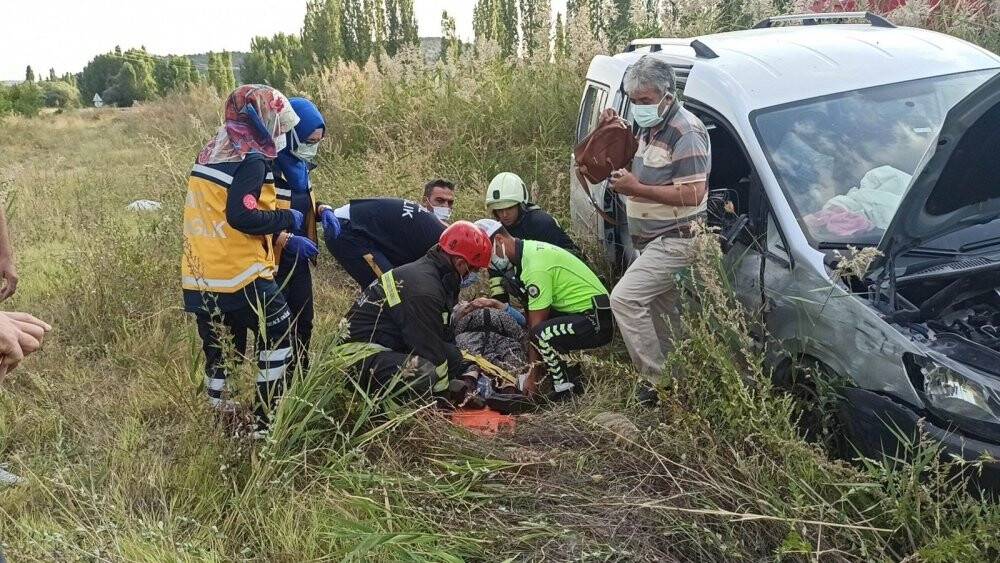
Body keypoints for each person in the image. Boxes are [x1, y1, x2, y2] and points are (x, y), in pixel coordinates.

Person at [181, 85, 312, 431]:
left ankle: (218, 418)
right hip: (241, 273)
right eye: (279, 124)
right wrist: (286, 219)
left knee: (220, 349)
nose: (281, 133)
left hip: (201, 275)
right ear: (263, 118)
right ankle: (266, 421)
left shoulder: (212, 150)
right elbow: (242, 215)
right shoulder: (251, 158)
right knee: (279, 332)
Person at [600, 54, 711, 405]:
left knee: (625, 299)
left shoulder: (686, 131)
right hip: (652, 241)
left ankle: (659, 384)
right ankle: (683, 383)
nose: (638, 108)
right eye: (633, 101)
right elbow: (633, 154)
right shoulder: (650, 126)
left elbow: (693, 192)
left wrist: (637, 190)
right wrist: (612, 127)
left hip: (677, 240)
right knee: (663, 315)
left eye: (644, 101)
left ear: (667, 94)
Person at [333, 221, 492, 401]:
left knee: (453, 357)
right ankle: (389, 412)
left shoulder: (438, 276)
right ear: (461, 263)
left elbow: (440, 333)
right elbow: (428, 347)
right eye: (475, 269)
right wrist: (443, 398)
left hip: (387, 342)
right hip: (354, 358)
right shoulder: (424, 289)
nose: (475, 275)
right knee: (425, 373)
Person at [475, 219, 612, 400]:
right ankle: (570, 373)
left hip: (596, 320)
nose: (489, 264)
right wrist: (503, 307)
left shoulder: (535, 268)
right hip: (582, 313)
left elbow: (536, 326)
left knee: (541, 334)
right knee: (539, 331)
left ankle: (564, 389)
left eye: (487, 255)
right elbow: (532, 314)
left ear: (499, 240)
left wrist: (533, 375)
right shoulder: (524, 254)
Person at [272, 96, 335, 371]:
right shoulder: (268, 168)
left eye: (317, 143)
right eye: (308, 141)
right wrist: (284, 238)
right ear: (291, 134)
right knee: (279, 324)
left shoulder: (301, 168)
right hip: (273, 262)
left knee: (304, 319)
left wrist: (322, 211)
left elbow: (302, 201)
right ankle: (278, 382)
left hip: (298, 261)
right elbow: (252, 219)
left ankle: (301, 373)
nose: (312, 148)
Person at [484, 172, 581, 303]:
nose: (504, 214)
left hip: (565, 281)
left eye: (509, 208)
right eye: (499, 210)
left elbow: (572, 258)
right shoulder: (497, 231)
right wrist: (501, 309)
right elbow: (495, 274)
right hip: (535, 281)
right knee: (508, 279)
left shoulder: (540, 223)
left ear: (520, 204)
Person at [324, 198, 446, 288]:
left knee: (390, 288)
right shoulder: (440, 242)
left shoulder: (444, 234)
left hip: (358, 225)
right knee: (390, 290)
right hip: (345, 228)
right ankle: (359, 322)